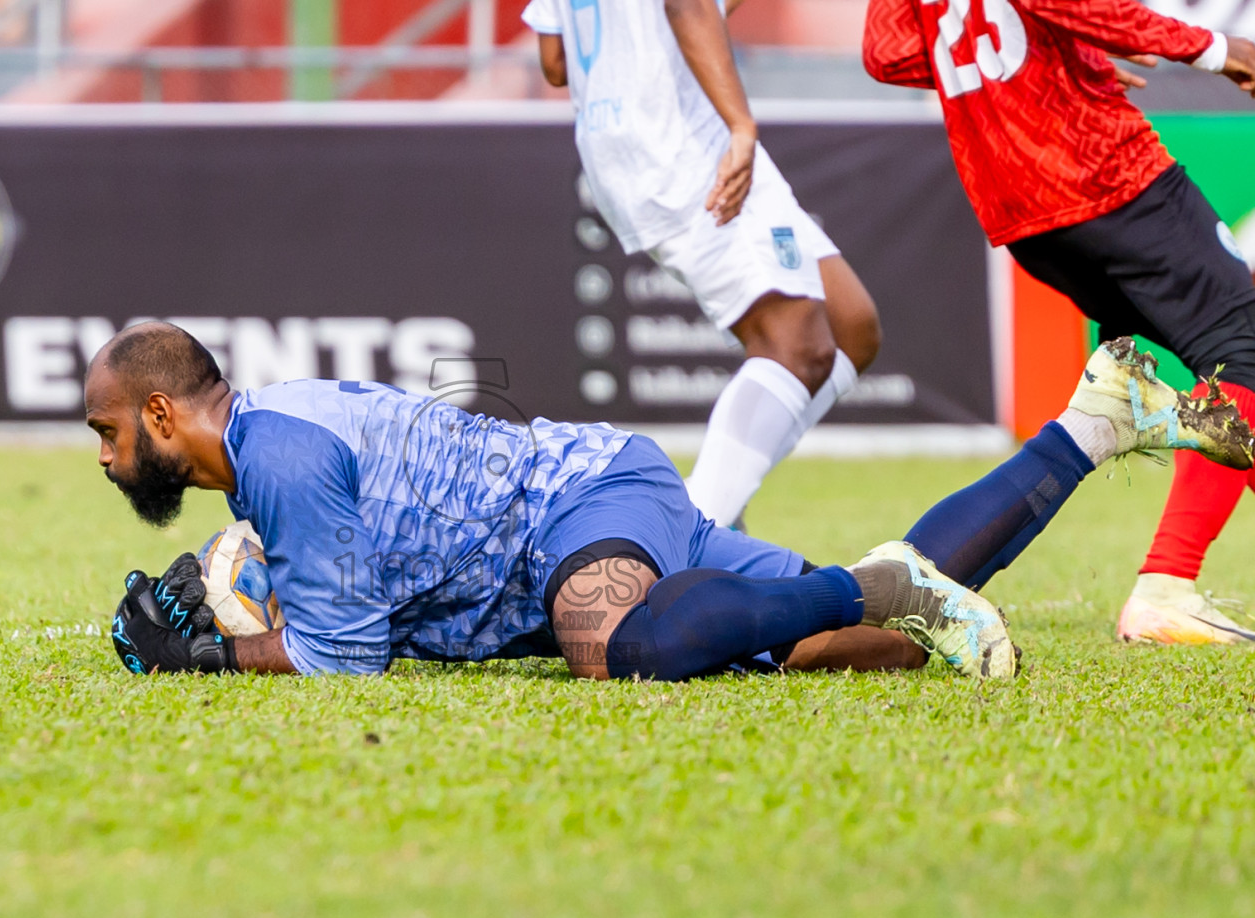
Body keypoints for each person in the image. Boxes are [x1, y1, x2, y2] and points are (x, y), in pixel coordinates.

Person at [83, 322, 1251, 682]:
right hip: (581, 513)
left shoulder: (276, 456)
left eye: (106, 429)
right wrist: (246, 588)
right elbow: (358, 577)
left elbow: (348, 658)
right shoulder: (274, 442)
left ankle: (872, 583)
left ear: (166, 416)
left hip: (578, 501)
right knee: (871, 648)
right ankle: (1095, 423)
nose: (101, 454)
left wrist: (211, 660)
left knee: (619, 648)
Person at [863, 0, 1255, 644]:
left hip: (1019, 205)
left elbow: (889, 52)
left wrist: (1054, 59)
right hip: (1099, 167)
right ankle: (1168, 584)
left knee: (1123, 399)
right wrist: (1218, 48)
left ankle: (923, 576)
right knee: (1242, 352)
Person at [523, 0, 882, 531]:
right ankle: (687, 537)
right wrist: (740, 125)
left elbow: (555, 61)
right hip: (682, 140)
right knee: (798, 345)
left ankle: (718, 509)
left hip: (619, 142)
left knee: (850, 325)